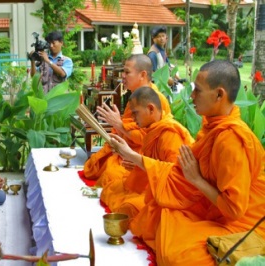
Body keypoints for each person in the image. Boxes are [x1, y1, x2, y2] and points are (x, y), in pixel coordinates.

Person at [110, 60, 265, 265]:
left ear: (219, 95)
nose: (192, 96)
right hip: (211, 208)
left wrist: (197, 180)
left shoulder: (231, 139)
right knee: (159, 214)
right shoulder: (213, 127)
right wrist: (133, 157)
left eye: (197, 91)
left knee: (176, 254)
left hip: (241, 223)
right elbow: (178, 173)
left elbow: (234, 209)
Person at [101, 87, 193, 217]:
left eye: (135, 113)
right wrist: (139, 166)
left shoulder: (169, 134)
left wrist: (131, 154)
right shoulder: (153, 129)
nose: (132, 118)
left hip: (173, 196)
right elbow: (156, 163)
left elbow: (176, 177)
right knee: (111, 187)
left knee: (130, 207)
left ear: (151, 109)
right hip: (154, 185)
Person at [83, 54, 171, 189]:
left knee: (112, 177)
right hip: (127, 148)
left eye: (127, 72)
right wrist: (118, 133)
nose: (122, 75)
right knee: (95, 165)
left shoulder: (155, 100)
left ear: (142, 75)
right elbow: (131, 126)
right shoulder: (137, 96)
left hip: (143, 156)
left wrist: (119, 124)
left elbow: (147, 138)